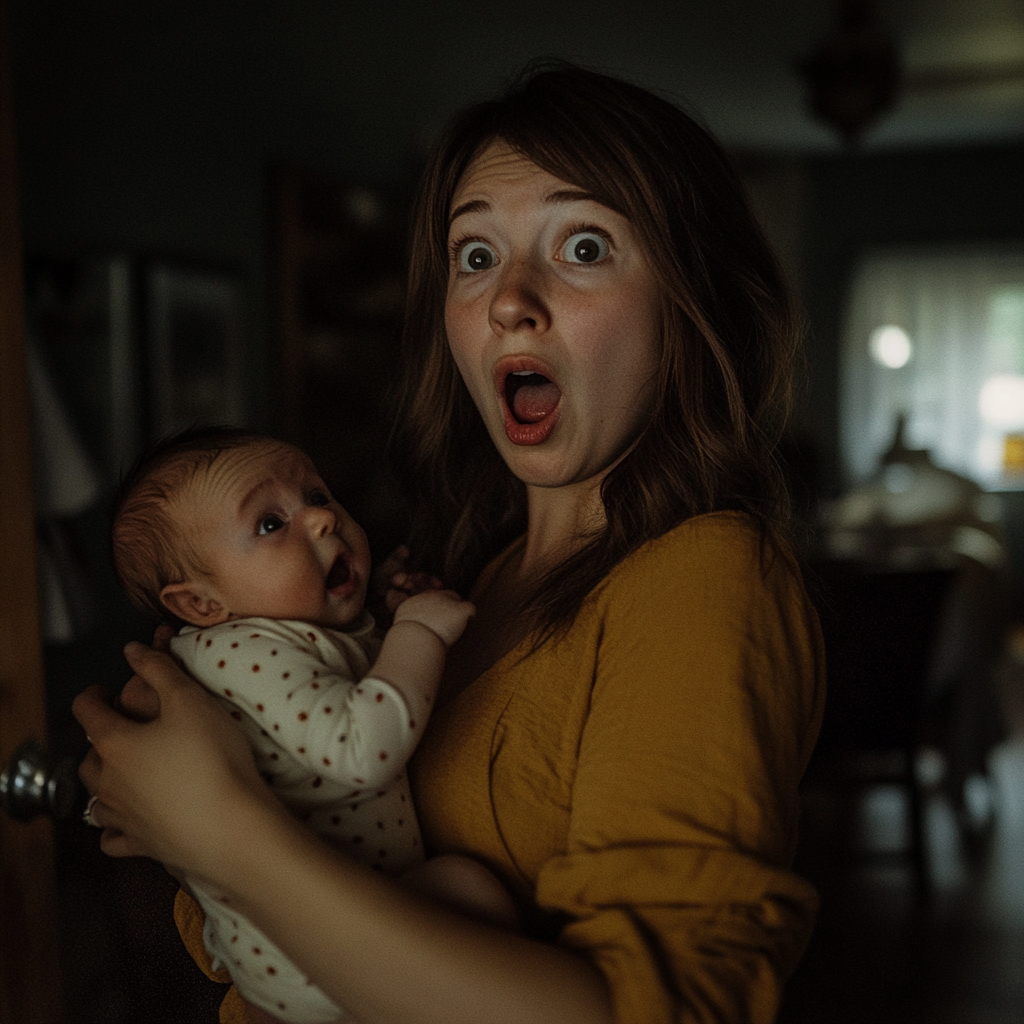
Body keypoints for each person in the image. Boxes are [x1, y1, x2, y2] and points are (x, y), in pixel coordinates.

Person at [75, 61, 826, 1024]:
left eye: (583, 244)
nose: (510, 298)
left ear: (692, 305)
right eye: (475, 256)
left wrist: (224, 832)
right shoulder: (463, 582)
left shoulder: (706, 578)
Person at [106, 427, 512, 1023]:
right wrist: (418, 634)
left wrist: (386, 609)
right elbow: (360, 747)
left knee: (469, 896)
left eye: (317, 496)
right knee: (473, 895)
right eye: (270, 524)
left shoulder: (278, 631)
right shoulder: (242, 653)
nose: (321, 521)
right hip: (310, 951)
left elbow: (339, 671)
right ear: (200, 605)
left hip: (325, 919)